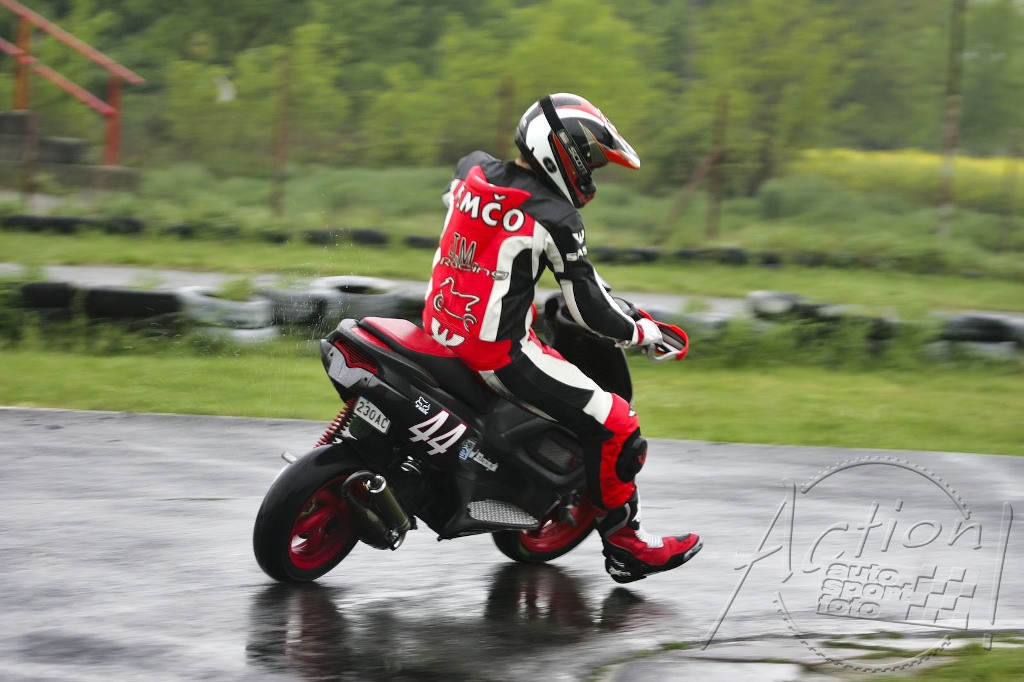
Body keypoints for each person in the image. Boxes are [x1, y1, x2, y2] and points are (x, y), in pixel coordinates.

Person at [423, 93, 701, 583]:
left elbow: (465, 209)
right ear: (562, 153)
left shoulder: (472, 170)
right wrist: (643, 331)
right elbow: (590, 309)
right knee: (618, 424)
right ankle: (627, 544)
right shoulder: (555, 216)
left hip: (438, 329)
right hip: (499, 356)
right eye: (589, 161)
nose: (590, 174)